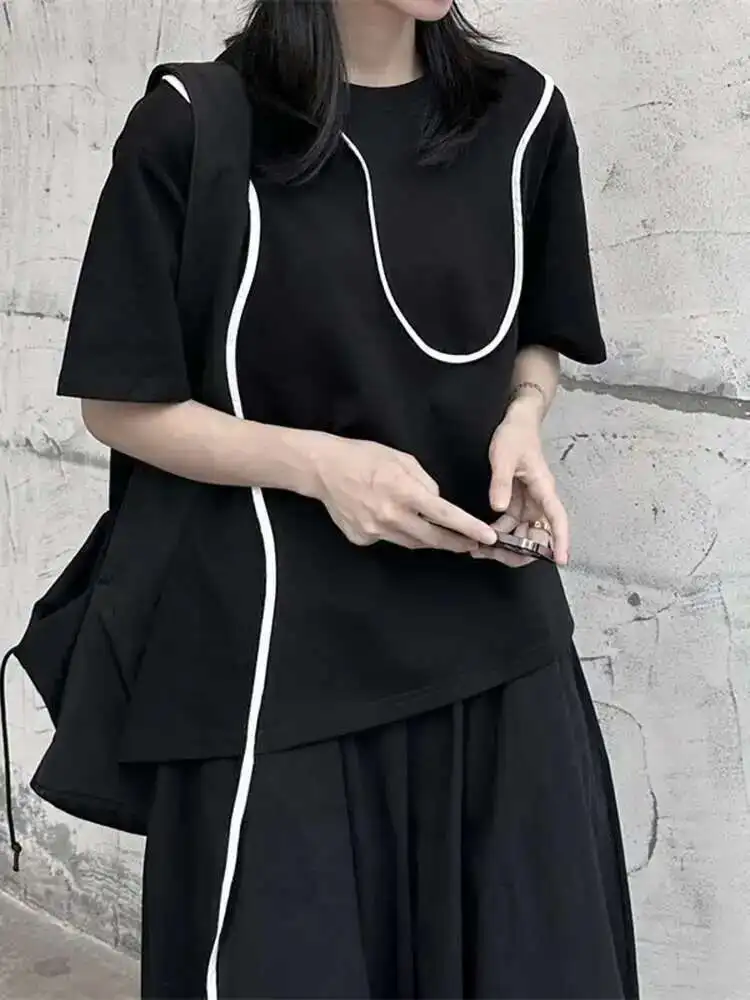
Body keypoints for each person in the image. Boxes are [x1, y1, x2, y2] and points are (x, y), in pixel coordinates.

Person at [55, 0, 639, 997]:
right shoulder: (195, 125)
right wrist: (323, 467)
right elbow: (120, 404)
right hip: (275, 672)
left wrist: (524, 414)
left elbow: (536, 330)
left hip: (498, 660)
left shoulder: (523, 116)